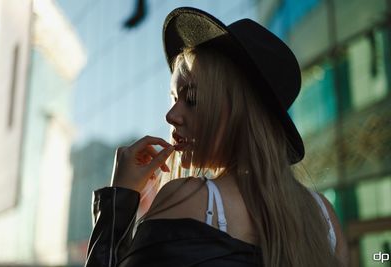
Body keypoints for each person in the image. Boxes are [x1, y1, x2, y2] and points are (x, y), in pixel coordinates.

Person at [85, 7, 349, 267]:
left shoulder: (189, 198)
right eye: (174, 99)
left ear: (240, 113)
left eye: (192, 99)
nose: (171, 116)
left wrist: (118, 201)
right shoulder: (325, 217)